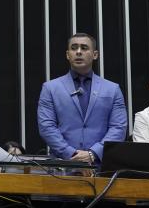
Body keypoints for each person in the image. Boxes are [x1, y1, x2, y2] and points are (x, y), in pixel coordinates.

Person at [36, 33, 128, 163]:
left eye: (84, 48)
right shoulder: (50, 88)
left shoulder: (112, 89)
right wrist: (71, 154)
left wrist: (93, 153)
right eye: (74, 48)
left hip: (101, 165)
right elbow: (46, 127)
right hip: (63, 165)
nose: (78, 52)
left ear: (95, 54)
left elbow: (118, 128)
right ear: (68, 55)